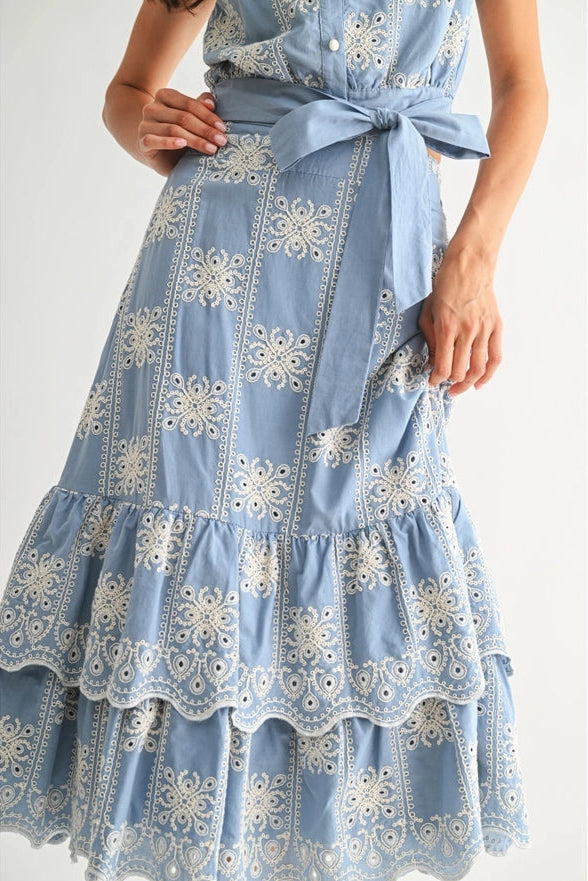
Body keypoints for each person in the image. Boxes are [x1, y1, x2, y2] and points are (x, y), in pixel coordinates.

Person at [0, 1, 547, 879]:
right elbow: (127, 88)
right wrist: (142, 116)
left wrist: (473, 262)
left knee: (368, 522)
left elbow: (525, 87)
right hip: (216, 250)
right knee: (194, 539)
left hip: (388, 256)